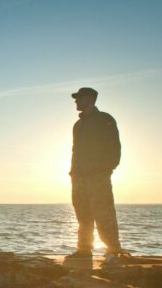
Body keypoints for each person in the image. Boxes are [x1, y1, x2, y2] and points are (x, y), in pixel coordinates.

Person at [66, 87, 124, 263]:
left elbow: (114, 148)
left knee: (103, 212)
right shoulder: (78, 125)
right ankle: (84, 249)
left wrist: (105, 170)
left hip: (98, 176)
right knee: (82, 214)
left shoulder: (104, 120)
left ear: (90, 99)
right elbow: (75, 151)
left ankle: (113, 250)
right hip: (79, 177)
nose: (76, 101)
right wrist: (73, 173)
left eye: (79, 98)